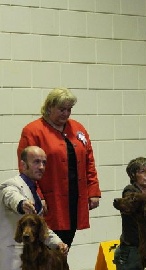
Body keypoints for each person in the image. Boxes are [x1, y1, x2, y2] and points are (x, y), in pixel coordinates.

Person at [17, 87, 101, 247]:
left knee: (63, 246)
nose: (66, 113)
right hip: (49, 200)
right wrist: (37, 196)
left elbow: (89, 161)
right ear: (49, 107)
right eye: (62, 109)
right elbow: (25, 169)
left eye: (69, 109)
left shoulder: (77, 128)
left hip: (74, 199)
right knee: (46, 248)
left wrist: (93, 191)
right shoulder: (33, 131)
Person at [0, 146, 68, 270]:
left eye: (44, 162)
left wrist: (59, 243)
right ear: (23, 164)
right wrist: (22, 204)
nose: (42, 166)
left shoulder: (35, 192)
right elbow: (10, 197)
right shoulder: (11, 185)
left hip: (27, 266)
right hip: (9, 264)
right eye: (36, 162)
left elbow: (42, 228)